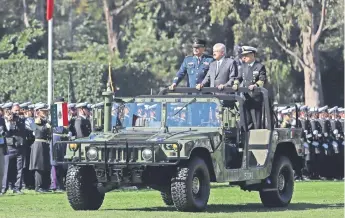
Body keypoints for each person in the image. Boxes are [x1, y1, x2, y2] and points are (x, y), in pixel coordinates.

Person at [233, 46, 267, 129]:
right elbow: (238, 78)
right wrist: (236, 84)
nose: (244, 57)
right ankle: (246, 136)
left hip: (256, 97)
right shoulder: (243, 67)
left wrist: (255, 85)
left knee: (257, 121)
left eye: (246, 55)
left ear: (252, 55)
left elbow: (262, 80)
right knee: (246, 120)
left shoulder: (259, 66)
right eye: (243, 55)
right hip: (246, 97)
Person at [2, 103, 26, 194]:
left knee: (20, 169)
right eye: (15, 110)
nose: (17, 112)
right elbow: (7, 130)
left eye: (18, 110)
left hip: (20, 146)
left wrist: (17, 120)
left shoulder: (20, 119)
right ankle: (4, 187)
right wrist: (9, 120)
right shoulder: (5, 119)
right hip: (9, 146)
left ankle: (17, 188)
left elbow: (24, 129)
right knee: (6, 168)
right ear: (11, 110)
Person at [29, 103, 51, 193]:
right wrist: (47, 125)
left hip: (45, 144)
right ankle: (38, 186)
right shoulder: (35, 121)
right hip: (38, 144)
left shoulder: (44, 121)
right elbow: (39, 130)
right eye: (43, 111)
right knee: (39, 166)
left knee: (45, 165)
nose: (45, 112)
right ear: (38, 112)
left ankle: (45, 186)